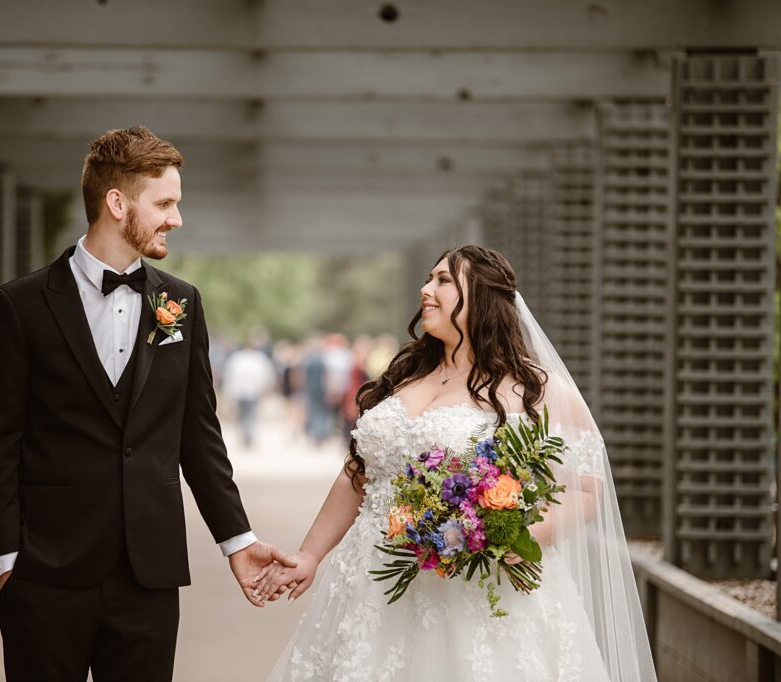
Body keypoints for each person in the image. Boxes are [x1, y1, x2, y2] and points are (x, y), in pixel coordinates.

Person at [0, 126, 292, 682]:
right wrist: (6, 560)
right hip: (45, 572)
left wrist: (237, 541)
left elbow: (199, 434)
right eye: (164, 203)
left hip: (148, 572)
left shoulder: (181, 302)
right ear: (117, 203)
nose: (176, 218)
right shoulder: (19, 305)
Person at [258, 245, 656, 681]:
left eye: (444, 281)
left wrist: (509, 537)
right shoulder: (405, 376)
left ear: (483, 296)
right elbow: (359, 475)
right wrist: (311, 554)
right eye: (429, 279)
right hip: (373, 583)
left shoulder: (533, 388)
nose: (426, 290)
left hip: (478, 588)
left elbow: (586, 486)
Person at [221, 338, 277, 448]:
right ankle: (246, 436)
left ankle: (248, 436)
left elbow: (229, 375)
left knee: (247, 415)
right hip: (244, 391)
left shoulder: (239, 359)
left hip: (249, 391)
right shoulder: (255, 359)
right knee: (246, 415)